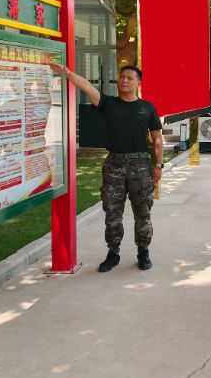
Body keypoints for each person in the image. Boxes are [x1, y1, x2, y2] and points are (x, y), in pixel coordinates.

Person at [49, 63, 163, 272]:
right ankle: (113, 253)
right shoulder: (108, 103)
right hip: (114, 165)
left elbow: (157, 138)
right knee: (112, 213)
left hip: (140, 166)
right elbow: (86, 86)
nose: (124, 80)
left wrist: (158, 165)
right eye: (122, 77)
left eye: (129, 77)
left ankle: (143, 252)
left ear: (138, 83)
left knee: (143, 212)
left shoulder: (147, 108)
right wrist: (68, 73)